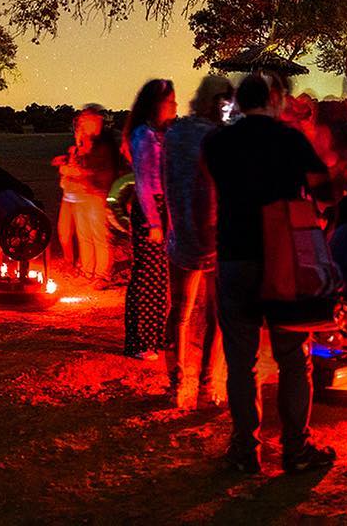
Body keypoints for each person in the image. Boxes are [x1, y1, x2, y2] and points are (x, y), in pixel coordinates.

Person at [202, 72, 335, 477]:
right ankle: (296, 448)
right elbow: (324, 189)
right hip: (284, 258)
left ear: (239, 104)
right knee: (293, 358)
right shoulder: (289, 139)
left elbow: (212, 190)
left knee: (241, 360)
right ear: (274, 99)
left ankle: (245, 450)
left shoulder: (217, 143)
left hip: (234, 255)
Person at [163, 75, 233, 407]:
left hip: (181, 234)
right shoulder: (221, 137)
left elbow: (167, 179)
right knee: (215, 315)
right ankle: (206, 385)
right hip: (216, 236)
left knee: (180, 311)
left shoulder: (175, 133)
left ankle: (176, 383)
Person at [123, 78, 176, 359]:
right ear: (156, 105)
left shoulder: (159, 134)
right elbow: (143, 182)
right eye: (170, 102)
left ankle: (153, 338)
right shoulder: (144, 136)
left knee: (159, 277)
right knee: (146, 276)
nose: (175, 107)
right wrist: (154, 222)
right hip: (149, 208)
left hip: (161, 206)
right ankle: (140, 342)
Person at [54, 106, 119, 287]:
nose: (82, 124)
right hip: (82, 194)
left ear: (95, 121)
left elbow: (102, 170)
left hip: (96, 193)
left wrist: (79, 172)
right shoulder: (85, 141)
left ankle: (103, 274)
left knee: (99, 235)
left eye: (85, 120)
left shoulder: (103, 144)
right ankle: (88, 271)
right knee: (84, 235)